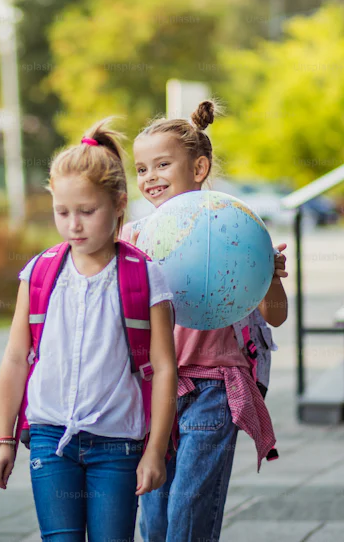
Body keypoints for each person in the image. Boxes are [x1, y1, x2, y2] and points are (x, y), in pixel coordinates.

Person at [0, 121, 178, 541]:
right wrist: (4, 439)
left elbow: (165, 368)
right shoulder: (39, 273)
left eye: (87, 212)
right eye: (62, 212)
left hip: (119, 446)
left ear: (119, 205)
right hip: (49, 440)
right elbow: (17, 358)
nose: (73, 224)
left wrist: (155, 451)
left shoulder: (145, 276)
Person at [127, 101, 285, 541]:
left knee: (188, 514)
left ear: (199, 167)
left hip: (214, 388)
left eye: (162, 164)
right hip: (156, 388)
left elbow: (276, 317)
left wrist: (269, 275)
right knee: (154, 519)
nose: (150, 177)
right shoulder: (134, 239)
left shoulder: (234, 230)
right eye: (141, 169)